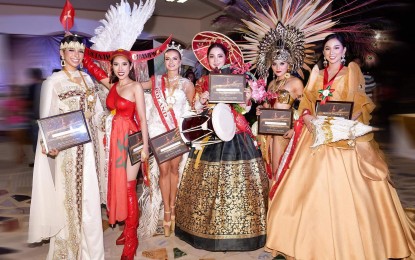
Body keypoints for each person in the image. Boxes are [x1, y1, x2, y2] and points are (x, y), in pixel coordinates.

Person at [265, 33, 415, 259]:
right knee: (305, 184)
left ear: (344, 51)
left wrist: (350, 120)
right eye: (327, 49)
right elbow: (306, 101)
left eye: (336, 48)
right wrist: (307, 117)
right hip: (315, 133)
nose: (331, 52)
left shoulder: (351, 72)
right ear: (323, 53)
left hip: (342, 134)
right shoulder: (317, 74)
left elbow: (359, 102)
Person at [174, 31, 269, 251]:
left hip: (235, 132)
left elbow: (246, 108)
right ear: (207, 60)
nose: (216, 60)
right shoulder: (203, 81)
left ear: (226, 58)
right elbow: (196, 109)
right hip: (211, 135)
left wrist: (245, 99)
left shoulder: (237, 78)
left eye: (220, 56)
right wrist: (202, 101)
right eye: (212, 57)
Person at [28, 34, 105, 260]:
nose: (76, 56)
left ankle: (92, 253)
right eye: (71, 51)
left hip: (90, 151)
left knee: (90, 202)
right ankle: (69, 252)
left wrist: (112, 118)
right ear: (62, 54)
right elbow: (47, 117)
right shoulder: (53, 82)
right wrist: (48, 142)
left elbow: (98, 114)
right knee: (68, 201)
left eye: (80, 51)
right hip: (68, 152)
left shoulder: (89, 80)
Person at [139, 41, 194, 238]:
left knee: (174, 170)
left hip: (176, 131)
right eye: (168, 59)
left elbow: (192, 109)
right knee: (163, 170)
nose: (171, 62)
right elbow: (136, 86)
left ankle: (172, 206)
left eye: (175, 59)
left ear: (180, 62)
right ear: (165, 61)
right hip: (158, 131)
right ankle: (167, 213)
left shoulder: (187, 84)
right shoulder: (156, 80)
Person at [255, 56, 303, 180]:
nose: (277, 67)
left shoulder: (296, 82)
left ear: (289, 64)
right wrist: (260, 109)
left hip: (283, 131)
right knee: (268, 167)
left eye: (282, 63)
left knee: (280, 169)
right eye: (274, 64)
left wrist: (296, 129)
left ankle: (280, 197)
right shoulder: (271, 84)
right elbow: (268, 107)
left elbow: (305, 108)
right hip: (268, 130)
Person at [26, 68, 44, 166]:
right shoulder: (45, 85)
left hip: (36, 118)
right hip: (44, 117)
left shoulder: (33, 87)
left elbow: (29, 103)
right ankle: (41, 162)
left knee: (36, 140)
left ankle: (38, 162)